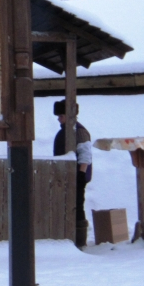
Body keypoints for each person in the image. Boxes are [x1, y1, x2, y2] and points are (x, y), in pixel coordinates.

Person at [52, 99, 93, 248]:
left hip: (77, 176)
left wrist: (81, 175)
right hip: (66, 177)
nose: (58, 118)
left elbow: (85, 155)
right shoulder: (66, 131)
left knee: (77, 206)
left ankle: (80, 239)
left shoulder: (80, 132)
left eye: (61, 115)